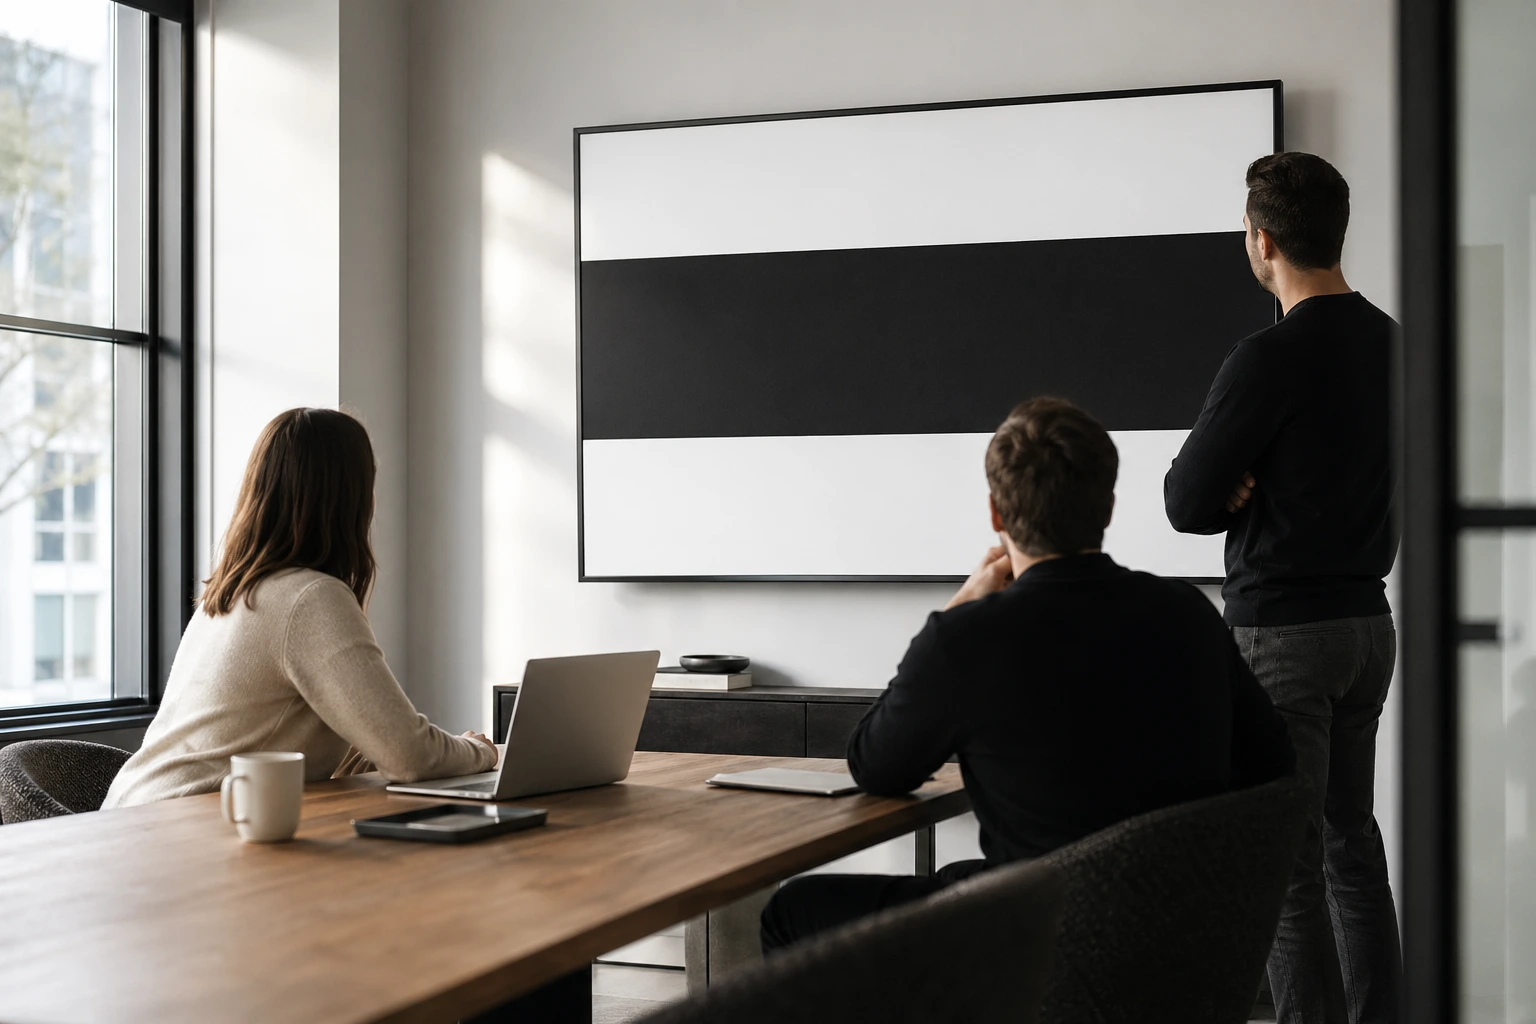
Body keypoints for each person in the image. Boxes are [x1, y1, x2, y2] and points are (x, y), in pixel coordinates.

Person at [760, 397, 1295, 952]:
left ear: (996, 514)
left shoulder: (966, 638)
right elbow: (1273, 765)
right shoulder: (1189, 614)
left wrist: (955, 611)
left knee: (792, 911)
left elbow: (875, 767)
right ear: (1108, 508)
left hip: (1028, 945)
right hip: (1175, 940)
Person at [1164, 152, 1400, 1024]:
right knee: (1351, 849)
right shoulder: (1395, 345)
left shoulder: (1265, 360)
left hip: (1284, 638)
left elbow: (1186, 501)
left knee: (1287, 870)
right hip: (1367, 626)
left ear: (1262, 241)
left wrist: (1239, 483)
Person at [104, 408, 496, 809]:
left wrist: (440, 752)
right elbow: (409, 758)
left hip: (136, 814)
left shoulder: (234, 591)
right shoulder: (309, 598)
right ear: (350, 497)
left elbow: (370, 744)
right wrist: (482, 752)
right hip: (181, 825)